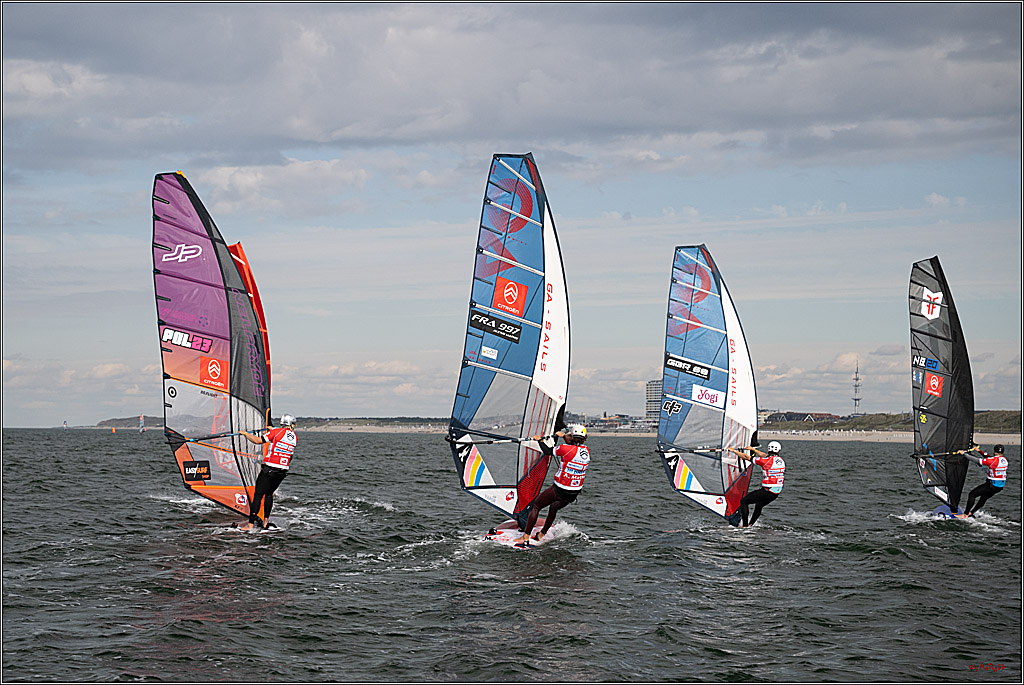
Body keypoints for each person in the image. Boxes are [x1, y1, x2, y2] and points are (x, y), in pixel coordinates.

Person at [512, 424, 591, 545]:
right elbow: (573, 446)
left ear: (572, 437)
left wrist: (540, 440)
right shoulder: (585, 450)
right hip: (574, 493)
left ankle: (526, 536)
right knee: (553, 508)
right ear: (584, 438)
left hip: (560, 489)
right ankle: (542, 534)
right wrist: (564, 436)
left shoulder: (565, 448)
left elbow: (548, 451)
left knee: (536, 506)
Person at [239, 414, 297, 529]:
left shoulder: (275, 432)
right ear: (291, 425)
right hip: (282, 471)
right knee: (269, 494)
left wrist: (245, 434)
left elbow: (257, 441)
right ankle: (265, 522)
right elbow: (281, 436)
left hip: (270, 469)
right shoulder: (294, 436)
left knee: (258, 495)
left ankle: (250, 524)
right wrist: (273, 430)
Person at [729, 441, 785, 528]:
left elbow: (746, 457)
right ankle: (750, 524)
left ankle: (744, 527)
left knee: (744, 501)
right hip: (776, 492)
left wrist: (734, 451)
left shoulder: (766, 461)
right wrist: (753, 450)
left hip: (768, 491)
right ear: (778, 451)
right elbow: (764, 455)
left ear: (769, 449)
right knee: (759, 505)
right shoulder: (780, 460)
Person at [954, 444, 1007, 519]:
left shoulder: (992, 460)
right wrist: (979, 451)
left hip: (991, 485)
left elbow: (977, 461)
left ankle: (965, 514)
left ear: (994, 451)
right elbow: (990, 458)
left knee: (972, 494)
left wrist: (964, 454)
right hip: (1000, 487)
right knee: (983, 498)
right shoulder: (1004, 460)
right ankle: (971, 513)